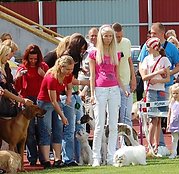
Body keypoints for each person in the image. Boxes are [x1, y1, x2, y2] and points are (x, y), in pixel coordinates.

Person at [89, 25, 128, 166]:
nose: (108, 38)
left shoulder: (116, 54)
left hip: (114, 89)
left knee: (113, 125)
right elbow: (92, 76)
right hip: (100, 90)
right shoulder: (94, 53)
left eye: (110, 36)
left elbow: (117, 75)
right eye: (105, 35)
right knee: (99, 125)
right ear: (101, 36)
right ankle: (96, 157)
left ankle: (111, 156)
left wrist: (123, 89)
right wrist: (92, 93)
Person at [138, 22, 179, 147]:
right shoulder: (147, 49)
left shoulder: (171, 48)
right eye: (150, 33)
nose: (151, 35)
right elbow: (141, 64)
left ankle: (162, 144)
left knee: (163, 116)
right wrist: (145, 76)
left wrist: (167, 73)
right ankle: (154, 145)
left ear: (162, 34)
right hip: (151, 87)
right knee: (154, 117)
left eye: (154, 33)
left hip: (166, 87)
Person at [14, 44, 49, 166]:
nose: (33, 61)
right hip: (27, 101)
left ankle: (44, 158)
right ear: (27, 57)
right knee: (29, 131)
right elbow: (17, 88)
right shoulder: (22, 68)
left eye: (35, 59)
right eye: (31, 59)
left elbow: (50, 83)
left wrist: (43, 74)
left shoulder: (43, 67)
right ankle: (32, 158)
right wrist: (18, 77)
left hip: (41, 100)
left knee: (42, 130)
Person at [36, 55, 72, 169]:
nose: (69, 72)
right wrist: (62, 115)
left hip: (57, 102)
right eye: (67, 69)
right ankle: (46, 160)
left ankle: (58, 159)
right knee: (46, 130)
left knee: (58, 130)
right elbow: (52, 101)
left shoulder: (67, 76)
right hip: (45, 103)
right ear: (61, 67)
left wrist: (68, 97)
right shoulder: (52, 77)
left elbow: (69, 86)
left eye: (71, 69)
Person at [60, 33, 88, 166]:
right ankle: (68, 158)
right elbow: (68, 80)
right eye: (82, 48)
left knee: (79, 127)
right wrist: (88, 83)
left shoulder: (76, 58)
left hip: (75, 95)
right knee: (70, 129)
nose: (83, 51)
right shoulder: (67, 58)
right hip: (68, 96)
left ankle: (78, 157)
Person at [139, 37, 171, 153]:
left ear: (154, 47)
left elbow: (167, 78)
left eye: (148, 47)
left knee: (158, 119)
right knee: (152, 118)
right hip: (150, 91)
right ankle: (149, 144)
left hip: (161, 90)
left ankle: (157, 145)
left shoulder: (164, 60)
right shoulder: (146, 60)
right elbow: (144, 77)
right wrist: (157, 73)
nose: (147, 49)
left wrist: (157, 80)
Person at [112, 22, 136, 127]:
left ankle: (127, 142)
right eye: (117, 37)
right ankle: (114, 142)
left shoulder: (126, 42)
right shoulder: (108, 45)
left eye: (121, 36)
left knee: (126, 115)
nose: (119, 39)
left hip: (126, 82)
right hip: (113, 84)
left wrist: (133, 78)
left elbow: (129, 60)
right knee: (114, 115)